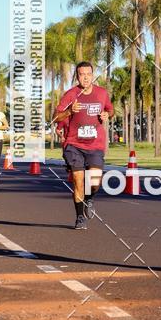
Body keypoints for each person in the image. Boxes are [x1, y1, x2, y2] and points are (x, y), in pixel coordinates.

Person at [53, 62, 114, 229]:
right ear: (77, 76)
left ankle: (89, 198)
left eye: (88, 73)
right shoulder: (70, 94)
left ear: (93, 75)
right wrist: (69, 111)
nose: (85, 77)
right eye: (82, 74)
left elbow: (110, 109)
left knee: (94, 182)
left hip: (95, 144)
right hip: (74, 144)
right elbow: (56, 117)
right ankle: (80, 217)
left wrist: (106, 114)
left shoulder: (101, 93)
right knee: (79, 181)